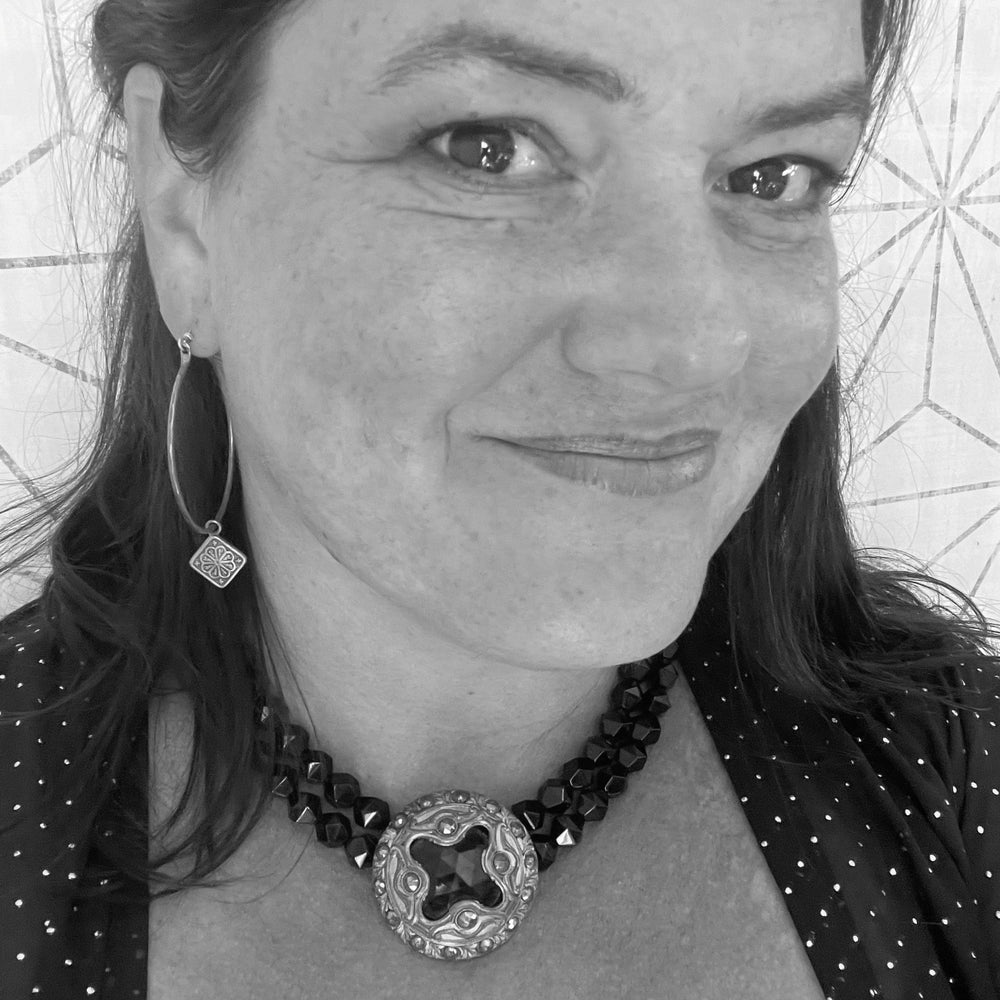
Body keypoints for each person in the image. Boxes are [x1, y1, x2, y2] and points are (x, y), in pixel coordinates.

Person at [1, 0, 998, 996]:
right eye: (488, 148)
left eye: (772, 176)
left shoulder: (965, 790)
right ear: (182, 207)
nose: (692, 346)